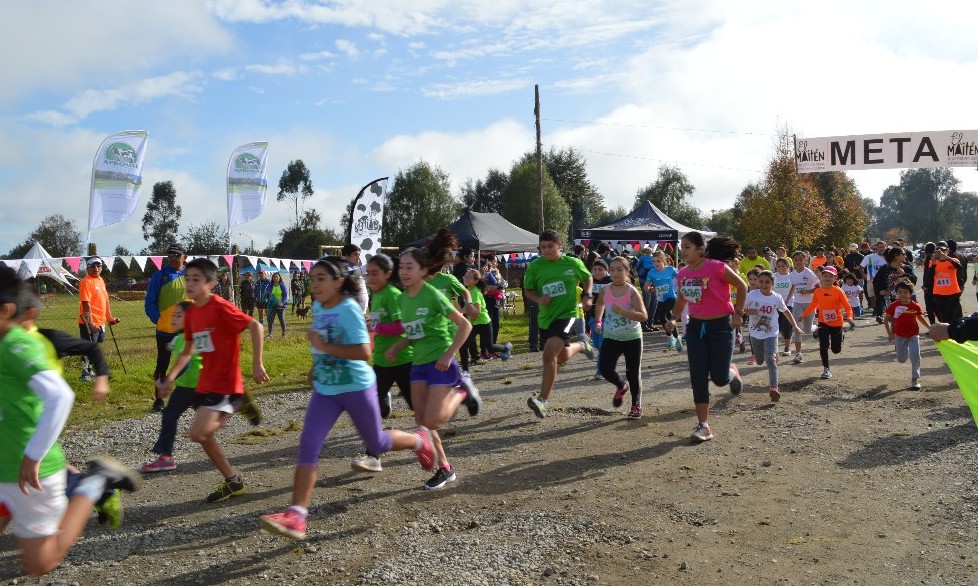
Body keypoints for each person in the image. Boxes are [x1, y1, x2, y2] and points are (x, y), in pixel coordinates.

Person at [258, 258, 436, 540]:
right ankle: (297, 515)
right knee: (308, 445)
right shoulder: (318, 306)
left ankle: (419, 441)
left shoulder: (349, 309)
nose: (314, 285)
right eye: (312, 278)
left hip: (356, 387)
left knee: (376, 442)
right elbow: (322, 342)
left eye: (321, 279)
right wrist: (317, 364)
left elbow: (364, 351)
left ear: (338, 281)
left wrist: (325, 347)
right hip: (326, 390)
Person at [0, 266, 139, 576]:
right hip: (4, 468)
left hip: (32, 472)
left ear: (5, 311)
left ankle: (92, 483)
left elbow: (60, 396)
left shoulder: (18, 344)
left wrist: (33, 455)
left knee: (42, 564)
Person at [156, 258, 270, 503]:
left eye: (196, 279)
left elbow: (256, 326)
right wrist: (169, 379)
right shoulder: (192, 311)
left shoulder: (219, 306)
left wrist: (257, 363)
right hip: (206, 384)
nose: (190, 283)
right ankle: (233, 481)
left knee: (197, 434)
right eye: (187, 279)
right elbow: (187, 350)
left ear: (210, 283)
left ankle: (239, 401)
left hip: (227, 383)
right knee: (204, 437)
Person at [383, 247, 477, 490]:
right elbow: (414, 332)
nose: (403, 272)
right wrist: (398, 346)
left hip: (439, 359)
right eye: (401, 267)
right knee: (422, 420)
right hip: (418, 363)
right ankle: (445, 469)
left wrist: (448, 355)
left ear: (423, 270)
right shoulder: (402, 299)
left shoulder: (433, 294)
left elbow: (464, 326)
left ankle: (463, 392)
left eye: (409, 267)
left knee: (434, 419)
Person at [665, 233, 746, 442]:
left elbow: (742, 286)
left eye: (688, 247)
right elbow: (682, 298)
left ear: (701, 249)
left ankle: (731, 372)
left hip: (720, 326)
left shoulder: (716, 267)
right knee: (698, 376)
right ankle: (704, 426)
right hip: (695, 327)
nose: (683, 250)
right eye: (681, 247)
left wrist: (738, 313)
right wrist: (674, 318)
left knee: (719, 378)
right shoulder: (682, 273)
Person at [523, 229, 595, 418]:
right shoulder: (535, 266)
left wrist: (587, 296)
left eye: (550, 247)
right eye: (543, 247)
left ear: (559, 246)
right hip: (546, 319)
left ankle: (543, 401)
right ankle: (582, 344)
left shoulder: (572, 263)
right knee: (560, 357)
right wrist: (539, 299)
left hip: (569, 314)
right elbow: (528, 290)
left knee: (548, 355)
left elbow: (587, 277)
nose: (546, 250)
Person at [142, 301, 202, 473]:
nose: (173, 319)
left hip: (201, 387)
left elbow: (185, 363)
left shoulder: (195, 338)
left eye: (178, 315)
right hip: (185, 387)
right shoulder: (178, 339)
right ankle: (165, 457)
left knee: (205, 428)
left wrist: (168, 380)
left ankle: (238, 400)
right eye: (173, 315)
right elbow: (173, 349)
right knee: (169, 415)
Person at [594, 257, 648, 418]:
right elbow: (600, 305)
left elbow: (644, 316)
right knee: (605, 369)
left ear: (627, 271)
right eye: (612, 269)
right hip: (611, 336)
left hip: (632, 337)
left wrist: (624, 312)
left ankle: (636, 406)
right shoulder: (605, 290)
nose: (615, 273)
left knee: (633, 373)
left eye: (619, 269)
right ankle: (621, 385)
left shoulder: (632, 291)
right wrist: (598, 320)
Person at [745, 270, 803, 402]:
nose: (764, 284)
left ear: (772, 283)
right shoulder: (751, 295)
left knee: (770, 360)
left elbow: (786, 311)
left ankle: (774, 388)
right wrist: (749, 311)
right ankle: (773, 352)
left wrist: (795, 326)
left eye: (767, 282)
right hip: (755, 333)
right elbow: (740, 309)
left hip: (771, 333)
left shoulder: (776, 297)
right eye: (761, 282)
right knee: (760, 361)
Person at [145, 242, 187, 412]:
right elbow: (149, 302)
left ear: (185, 256)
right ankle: (159, 400)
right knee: (162, 364)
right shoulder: (159, 276)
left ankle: (186, 396)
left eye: (176, 255)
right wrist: (158, 320)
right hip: (165, 330)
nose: (172, 259)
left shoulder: (192, 275)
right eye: (170, 255)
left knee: (188, 363)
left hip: (186, 330)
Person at [801, 266, 853, 380]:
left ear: (835, 278)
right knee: (823, 345)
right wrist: (803, 315)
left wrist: (849, 317)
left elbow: (847, 306)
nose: (827, 278)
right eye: (825, 276)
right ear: (821, 277)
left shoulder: (838, 291)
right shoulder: (818, 291)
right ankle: (826, 369)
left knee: (836, 350)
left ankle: (841, 335)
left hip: (837, 323)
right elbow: (814, 305)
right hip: (823, 322)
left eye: (830, 276)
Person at [461, 268, 513, 372]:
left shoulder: (475, 292)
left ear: (476, 281)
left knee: (490, 347)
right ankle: (465, 372)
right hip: (474, 323)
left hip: (483, 322)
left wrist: (462, 313)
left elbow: (477, 311)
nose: (466, 278)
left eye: (469, 277)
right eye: (465, 276)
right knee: (463, 345)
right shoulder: (467, 291)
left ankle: (506, 348)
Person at [77, 257, 118, 383]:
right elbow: (85, 303)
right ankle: (85, 373)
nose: (96, 268)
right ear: (87, 268)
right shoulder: (86, 282)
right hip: (89, 322)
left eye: (98, 266)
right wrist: (90, 323)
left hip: (101, 321)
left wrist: (110, 318)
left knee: (96, 345)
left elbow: (105, 301)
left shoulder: (100, 280)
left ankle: (91, 370)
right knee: (89, 347)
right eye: (92, 266)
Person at [883, 280, 929, 390]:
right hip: (899, 335)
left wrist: (930, 328)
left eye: (905, 292)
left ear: (910, 293)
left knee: (916, 355)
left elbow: (920, 317)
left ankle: (915, 379)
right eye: (900, 292)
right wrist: (890, 333)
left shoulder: (915, 306)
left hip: (913, 334)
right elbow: (886, 320)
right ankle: (904, 351)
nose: (903, 294)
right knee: (901, 359)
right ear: (897, 294)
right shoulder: (893, 306)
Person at [788, 250, 819, 364]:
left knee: (806, 329)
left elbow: (818, 287)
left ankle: (817, 327)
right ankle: (798, 353)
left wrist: (808, 291)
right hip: (797, 303)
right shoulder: (792, 274)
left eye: (801, 260)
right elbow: (793, 288)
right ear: (793, 262)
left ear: (805, 260)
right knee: (797, 327)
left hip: (810, 303)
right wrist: (787, 300)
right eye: (796, 260)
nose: (798, 262)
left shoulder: (809, 273)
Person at [647, 250, 681, 351]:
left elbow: (680, 278)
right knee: (667, 317)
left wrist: (683, 286)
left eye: (658, 261)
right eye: (654, 261)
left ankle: (669, 336)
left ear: (663, 260)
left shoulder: (670, 270)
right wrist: (649, 288)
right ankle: (677, 338)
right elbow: (646, 286)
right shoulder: (652, 273)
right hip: (661, 299)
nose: (656, 263)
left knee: (662, 316)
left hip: (671, 297)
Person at [872, 247, 917, 323]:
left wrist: (904, 274)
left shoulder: (906, 268)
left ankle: (906, 334)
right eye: (903, 254)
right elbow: (876, 281)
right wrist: (880, 290)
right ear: (896, 256)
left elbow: (914, 281)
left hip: (905, 299)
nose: (905, 256)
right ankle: (895, 334)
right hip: (890, 299)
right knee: (894, 320)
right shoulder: (885, 268)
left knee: (907, 319)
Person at [931, 241, 963, 323]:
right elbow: (930, 275)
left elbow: (960, 267)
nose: (941, 252)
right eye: (938, 250)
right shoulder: (933, 262)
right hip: (938, 293)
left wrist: (948, 258)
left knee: (951, 315)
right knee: (942, 316)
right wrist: (934, 264)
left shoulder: (953, 260)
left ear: (947, 250)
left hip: (952, 293)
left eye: (943, 250)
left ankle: (953, 333)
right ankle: (945, 333)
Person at [772, 257, 796, 356]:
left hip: (788, 304)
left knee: (786, 326)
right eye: (778, 266)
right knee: (778, 326)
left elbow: (793, 289)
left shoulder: (791, 276)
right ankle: (775, 348)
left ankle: (787, 347)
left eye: (783, 266)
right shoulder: (773, 276)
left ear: (788, 266)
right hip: (775, 305)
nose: (781, 268)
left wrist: (786, 301)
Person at [860, 240, 888, 319]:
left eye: (883, 247)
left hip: (884, 280)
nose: (881, 249)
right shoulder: (870, 257)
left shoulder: (888, 257)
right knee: (872, 296)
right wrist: (863, 274)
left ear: (885, 247)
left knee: (883, 296)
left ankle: (881, 310)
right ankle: (876, 309)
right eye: (879, 247)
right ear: (876, 248)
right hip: (871, 280)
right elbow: (860, 267)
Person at [341, 244, 369, 311]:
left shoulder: (356, 268)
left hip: (361, 306)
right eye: (355, 254)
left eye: (359, 255)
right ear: (347, 256)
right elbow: (352, 273)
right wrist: (369, 266)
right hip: (350, 307)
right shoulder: (342, 268)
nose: (358, 257)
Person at [265, 272, 289, 337]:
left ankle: (284, 333)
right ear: (272, 278)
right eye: (274, 277)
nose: (275, 278)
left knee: (281, 319)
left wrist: (282, 303)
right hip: (272, 305)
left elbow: (285, 296)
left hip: (281, 306)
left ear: (279, 277)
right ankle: (270, 334)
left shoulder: (282, 286)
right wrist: (268, 294)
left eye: (276, 276)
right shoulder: (270, 285)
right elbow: (267, 294)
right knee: (270, 319)